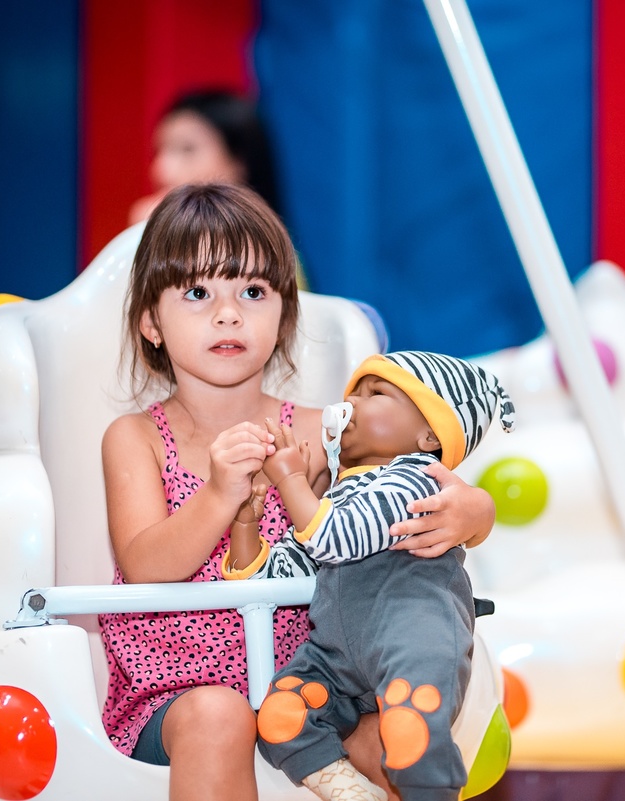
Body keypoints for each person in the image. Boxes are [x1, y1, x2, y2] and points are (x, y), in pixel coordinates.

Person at [97, 183, 496, 801]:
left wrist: (473, 511)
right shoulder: (137, 437)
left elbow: (412, 488)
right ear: (151, 320)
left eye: (252, 292)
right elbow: (146, 563)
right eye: (198, 293)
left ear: (283, 313)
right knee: (219, 717)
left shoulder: (326, 428)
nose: (228, 313)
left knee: (394, 743)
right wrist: (219, 495)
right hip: (177, 693)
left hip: (316, 682)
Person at [223, 350, 515, 801]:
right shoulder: (335, 495)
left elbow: (337, 537)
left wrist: (291, 481)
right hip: (338, 651)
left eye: (375, 393)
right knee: (281, 716)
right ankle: (353, 793)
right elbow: (275, 578)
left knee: (411, 727)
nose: (352, 404)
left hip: (412, 632)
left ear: (428, 434)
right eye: (352, 393)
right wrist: (246, 525)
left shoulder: (419, 480)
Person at [128, 89, 281, 226]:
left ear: (239, 159)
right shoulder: (144, 226)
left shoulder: (275, 248)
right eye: (158, 152)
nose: (161, 170)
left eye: (188, 149)